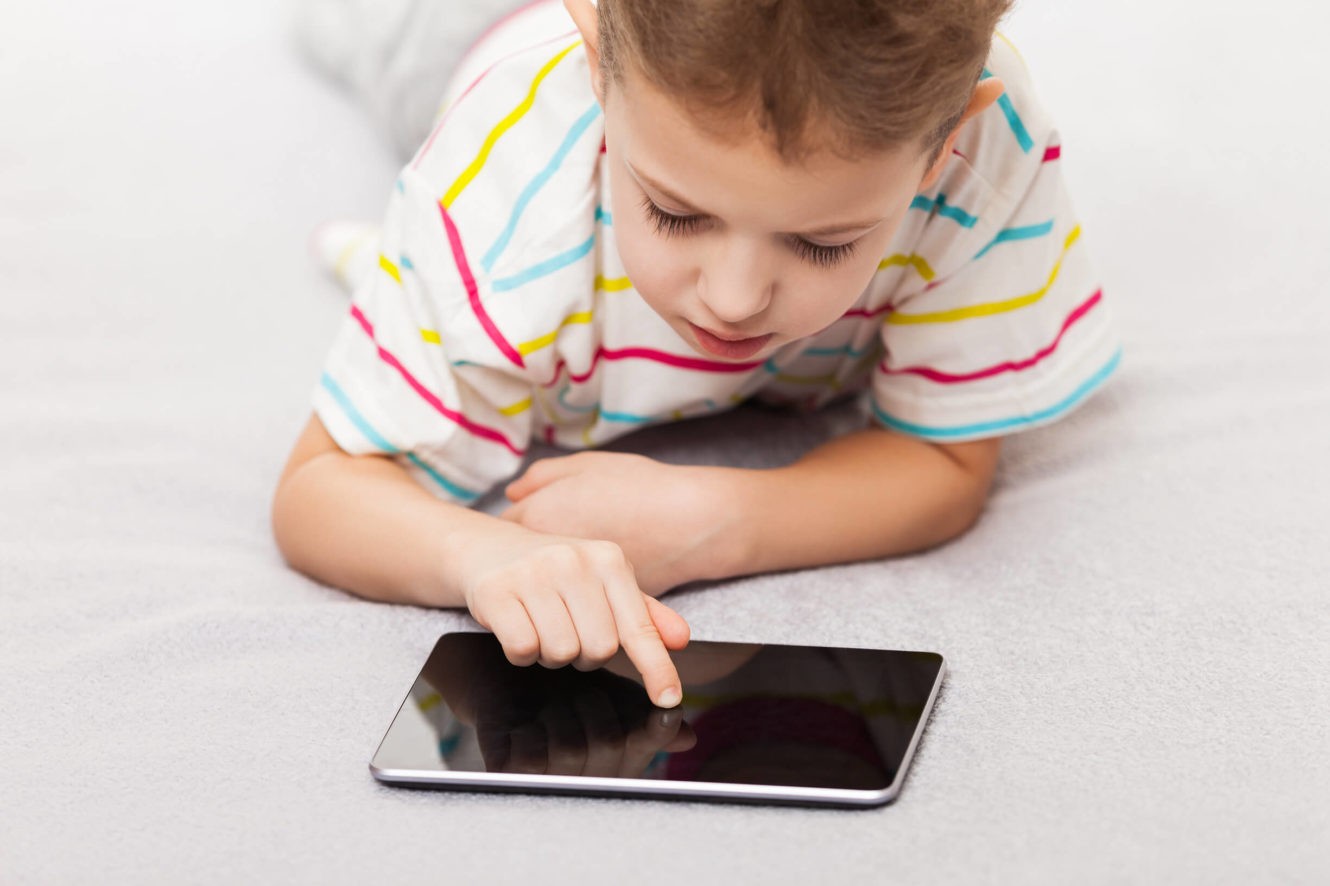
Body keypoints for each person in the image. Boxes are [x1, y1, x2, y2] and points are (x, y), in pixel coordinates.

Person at [272, 0, 1121, 711]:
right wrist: (483, 554)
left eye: (825, 243)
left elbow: (947, 459)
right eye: (676, 213)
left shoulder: (987, 146)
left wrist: (716, 523)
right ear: (598, 63)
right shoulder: (502, 202)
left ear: (944, 146)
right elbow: (320, 490)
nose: (734, 298)